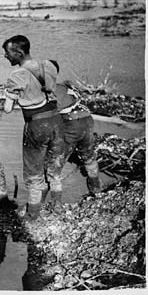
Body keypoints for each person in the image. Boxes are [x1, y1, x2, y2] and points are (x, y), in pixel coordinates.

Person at [1, 35, 66, 221]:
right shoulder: (49, 65)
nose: (6, 56)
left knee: (33, 173)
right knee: (54, 168)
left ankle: (33, 215)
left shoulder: (16, 75)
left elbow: (7, 109)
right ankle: (57, 208)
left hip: (36, 125)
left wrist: (8, 96)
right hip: (56, 121)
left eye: (7, 53)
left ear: (18, 52)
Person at [50, 60, 102, 195]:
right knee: (88, 157)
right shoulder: (66, 87)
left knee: (55, 164)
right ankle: (97, 191)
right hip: (87, 121)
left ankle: (55, 204)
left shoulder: (51, 90)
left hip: (71, 124)